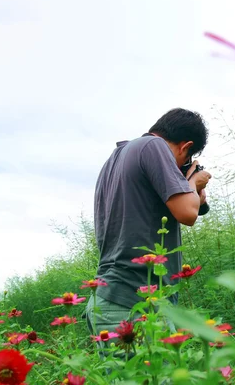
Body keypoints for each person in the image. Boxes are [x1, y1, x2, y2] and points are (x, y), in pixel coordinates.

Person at [86, 108, 211, 336]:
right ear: (185, 146)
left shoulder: (116, 158)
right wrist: (192, 183)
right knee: (156, 372)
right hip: (134, 304)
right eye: (186, 158)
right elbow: (187, 214)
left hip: (113, 301)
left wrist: (189, 191)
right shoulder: (154, 147)